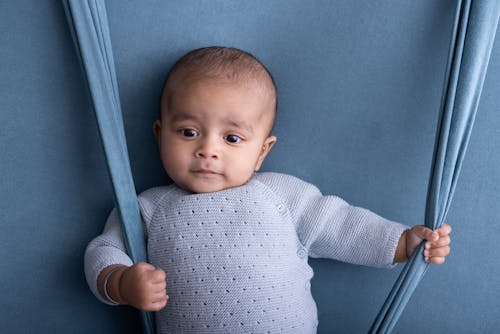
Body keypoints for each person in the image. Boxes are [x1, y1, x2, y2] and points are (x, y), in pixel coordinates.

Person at [84, 46, 452, 333]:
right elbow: (104, 249)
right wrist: (120, 282)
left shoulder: (280, 195)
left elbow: (341, 225)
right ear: (159, 134)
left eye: (232, 138)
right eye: (188, 132)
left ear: (261, 151)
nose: (208, 149)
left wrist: (403, 242)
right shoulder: (148, 208)